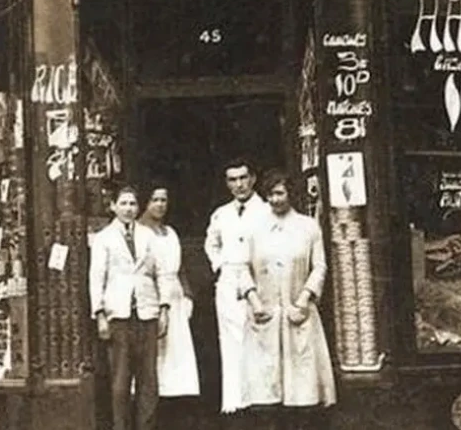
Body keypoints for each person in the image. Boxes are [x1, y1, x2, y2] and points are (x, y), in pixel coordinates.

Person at [239, 170, 336, 429]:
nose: (274, 199)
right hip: (265, 315)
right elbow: (241, 268)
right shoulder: (254, 228)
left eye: (280, 193)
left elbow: (319, 267)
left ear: (290, 194)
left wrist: (304, 300)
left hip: (298, 312)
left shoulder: (308, 226)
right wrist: (255, 302)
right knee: (266, 386)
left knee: (301, 386)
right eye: (270, 194)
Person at [89, 185, 170, 430]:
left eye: (132, 204)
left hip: (146, 313)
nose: (128, 209)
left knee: (148, 381)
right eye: (123, 203)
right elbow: (96, 277)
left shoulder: (148, 236)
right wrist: (100, 314)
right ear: (113, 206)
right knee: (120, 381)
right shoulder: (104, 238)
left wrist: (164, 308)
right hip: (119, 315)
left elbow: (162, 273)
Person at [203, 158, 270, 415]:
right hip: (229, 279)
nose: (239, 185)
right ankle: (234, 400)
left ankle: (260, 399)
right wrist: (220, 265)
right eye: (233, 180)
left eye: (243, 178)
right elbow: (212, 244)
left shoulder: (265, 211)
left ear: (252, 178)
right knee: (231, 339)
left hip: (257, 279)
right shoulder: (221, 214)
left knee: (259, 338)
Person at [140, 183, 200, 398]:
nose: (160, 205)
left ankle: (175, 401)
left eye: (163, 200)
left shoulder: (171, 232)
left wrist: (187, 295)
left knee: (177, 354)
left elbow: (179, 267)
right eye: (155, 200)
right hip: (153, 297)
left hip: (176, 298)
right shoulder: (139, 232)